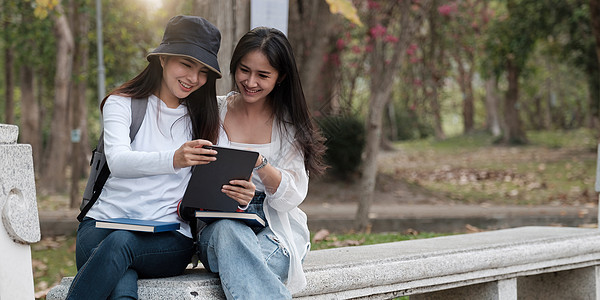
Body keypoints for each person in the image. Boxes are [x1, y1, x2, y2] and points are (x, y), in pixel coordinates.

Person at [66, 15, 255, 299]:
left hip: (168, 240)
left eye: (203, 71)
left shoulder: (206, 121)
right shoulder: (122, 104)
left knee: (121, 245)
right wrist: (174, 159)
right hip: (100, 227)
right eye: (186, 64)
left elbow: (223, 180)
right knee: (121, 282)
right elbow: (118, 162)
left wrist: (241, 195)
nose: (194, 78)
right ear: (163, 58)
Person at [197, 27, 327, 299]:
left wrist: (259, 165)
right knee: (229, 231)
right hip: (219, 227)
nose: (250, 81)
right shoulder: (212, 111)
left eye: (263, 75)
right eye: (244, 70)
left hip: (276, 229)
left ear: (281, 77)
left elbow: (291, 197)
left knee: (243, 271)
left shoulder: (289, 126)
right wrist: (231, 196)